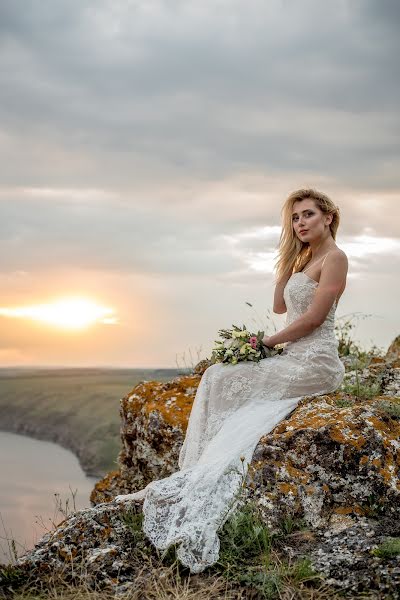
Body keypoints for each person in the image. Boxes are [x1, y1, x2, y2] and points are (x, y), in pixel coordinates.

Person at [115, 188, 348, 573]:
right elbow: (280, 306)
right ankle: (195, 467)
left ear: (328, 216)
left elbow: (312, 320)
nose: (301, 223)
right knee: (217, 375)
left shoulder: (335, 258)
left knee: (222, 378)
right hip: (292, 354)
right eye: (294, 218)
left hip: (316, 361)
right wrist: (288, 258)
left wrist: (264, 343)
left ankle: (200, 471)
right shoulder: (305, 259)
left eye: (308, 215)